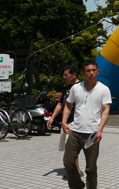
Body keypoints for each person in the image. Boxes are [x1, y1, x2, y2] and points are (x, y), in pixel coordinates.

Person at [62, 60, 112, 189]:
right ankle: (77, 186)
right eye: (88, 71)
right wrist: (63, 122)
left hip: (92, 134)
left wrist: (100, 130)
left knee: (91, 168)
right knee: (68, 163)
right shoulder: (76, 88)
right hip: (75, 131)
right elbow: (68, 105)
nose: (91, 73)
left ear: (98, 72)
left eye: (94, 70)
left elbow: (106, 110)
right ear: (83, 73)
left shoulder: (103, 89)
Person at [47, 65, 83, 179]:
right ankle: (75, 170)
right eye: (64, 75)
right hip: (66, 122)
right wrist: (52, 118)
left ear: (74, 75)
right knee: (69, 148)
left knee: (71, 147)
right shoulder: (66, 89)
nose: (64, 77)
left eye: (66, 75)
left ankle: (75, 171)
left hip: (77, 122)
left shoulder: (83, 87)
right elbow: (60, 104)